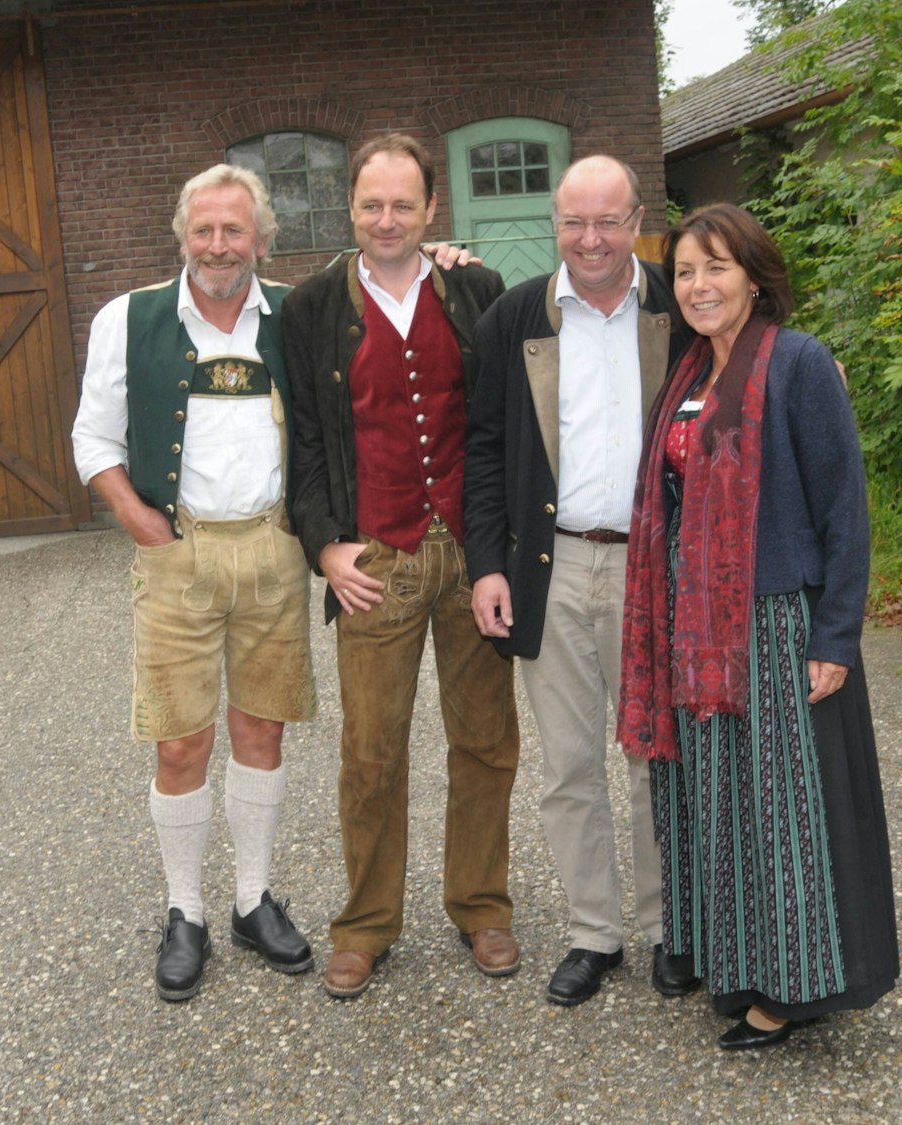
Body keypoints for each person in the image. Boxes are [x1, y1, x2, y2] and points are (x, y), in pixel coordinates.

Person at [617, 203, 899, 1049]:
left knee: (786, 813)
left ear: (754, 274)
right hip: (698, 626)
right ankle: (741, 965)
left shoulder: (800, 363)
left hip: (776, 620)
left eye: (717, 268)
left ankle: (796, 990)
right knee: (724, 807)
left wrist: (835, 636)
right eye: (687, 272)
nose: (700, 286)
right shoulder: (692, 370)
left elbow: (845, 510)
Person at [71, 164, 318, 1002]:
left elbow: (385, 288)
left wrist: (445, 258)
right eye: (204, 231)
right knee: (180, 739)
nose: (219, 246)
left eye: (235, 231)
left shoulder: (296, 312)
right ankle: (186, 910)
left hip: (274, 551)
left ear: (262, 239)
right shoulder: (128, 317)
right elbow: (93, 438)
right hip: (178, 554)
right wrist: (139, 520)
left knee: (264, 731)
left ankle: (252, 896)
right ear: (181, 236)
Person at [284, 133, 519, 1000]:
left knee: (486, 741)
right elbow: (304, 442)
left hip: (470, 553)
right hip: (373, 559)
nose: (388, 219)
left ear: (431, 211)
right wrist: (325, 544)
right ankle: (367, 923)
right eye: (371, 204)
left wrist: (498, 548)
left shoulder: (478, 289)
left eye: (404, 205)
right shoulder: (311, 308)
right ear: (351, 208)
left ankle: (481, 905)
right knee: (371, 752)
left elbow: (503, 423)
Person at [464, 155, 700, 1006]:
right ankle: (593, 933)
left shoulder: (680, 306)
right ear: (554, 220)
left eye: (609, 221)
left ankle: (673, 926)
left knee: (654, 753)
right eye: (574, 222)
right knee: (569, 764)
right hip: (550, 566)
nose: (592, 239)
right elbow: (484, 450)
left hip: (654, 567)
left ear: (638, 217)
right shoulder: (515, 315)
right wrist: (486, 563)